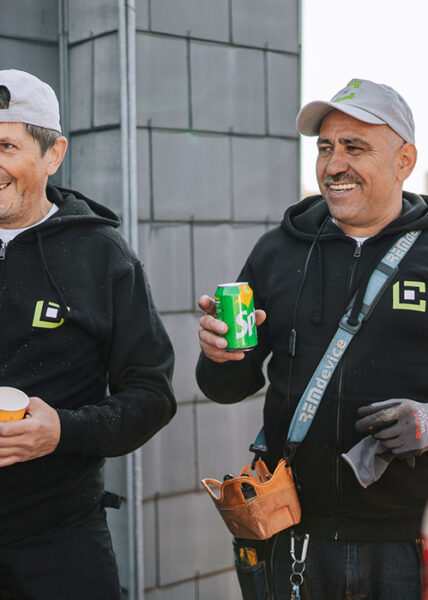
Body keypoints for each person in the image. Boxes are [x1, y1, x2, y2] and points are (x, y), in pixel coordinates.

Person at [0, 69, 176, 599]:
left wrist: (63, 431)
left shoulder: (103, 257)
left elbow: (152, 396)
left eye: (6, 146)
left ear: (53, 154)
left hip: (55, 545)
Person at [196, 78, 428, 599]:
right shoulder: (278, 251)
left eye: (355, 147)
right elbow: (226, 388)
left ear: (404, 160)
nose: (333, 164)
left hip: (412, 543)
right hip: (292, 533)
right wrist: (219, 355)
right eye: (325, 147)